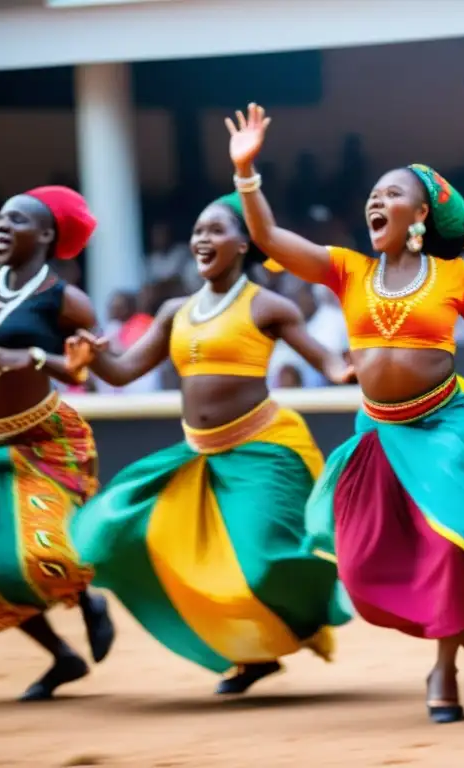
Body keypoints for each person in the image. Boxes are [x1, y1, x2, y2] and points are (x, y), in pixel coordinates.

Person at [225, 103, 464, 723]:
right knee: (368, 561)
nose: (376, 202)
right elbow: (268, 239)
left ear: (421, 213)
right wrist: (247, 172)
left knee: (458, 536)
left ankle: (443, 670)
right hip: (380, 432)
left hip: (452, 424)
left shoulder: (456, 278)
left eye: (392, 193)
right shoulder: (348, 271)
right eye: (372, 195)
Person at [67, 192, 354, 695]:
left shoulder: (268, 304)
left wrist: (350, 368)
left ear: (244, 242)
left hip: (264, 451)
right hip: (199, 454)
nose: (202, 239)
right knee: (114, 529)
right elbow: (123, 370)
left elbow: (329, 363)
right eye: (198, 231)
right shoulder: (175, 311)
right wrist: (89, 355)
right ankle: (250, 656)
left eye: (216, 230)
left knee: (264, 565)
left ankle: (305, 618)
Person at [0, 186, 114, 700]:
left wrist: (39, 357)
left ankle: (88, 598)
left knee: (44, 555)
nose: (0, 227)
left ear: (47, 235)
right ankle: (62, 656)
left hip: (42, 439)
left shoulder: (64, 299)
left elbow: (100, 365)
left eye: (15, 220)